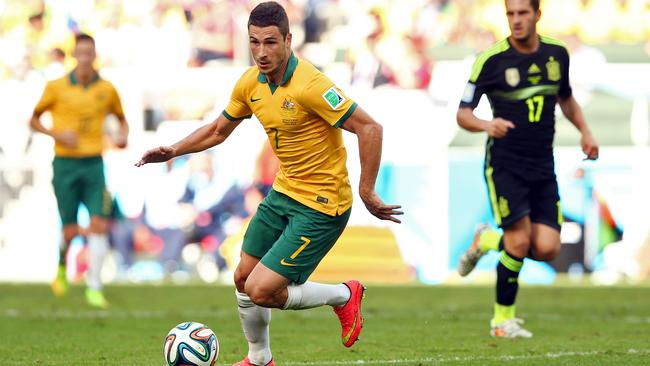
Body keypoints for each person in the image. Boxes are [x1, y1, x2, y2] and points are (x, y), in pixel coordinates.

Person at [136, 2, 402, 365]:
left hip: (323, 206)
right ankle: (259, 359)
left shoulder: (311, 85)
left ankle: (344, 294)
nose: (261, 52)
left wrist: (367, 190)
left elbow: (370, 128)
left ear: (289, 40)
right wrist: (174, 150)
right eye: (254, 42)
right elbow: (217, 130)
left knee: (262, 290)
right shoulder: (250, 84)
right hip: (283, 193)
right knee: (243, 278)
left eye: (271, 42)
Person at [455, 0, 599, 338]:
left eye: (523, 13)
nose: (516, 21)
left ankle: (488, 240)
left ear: (537, 14)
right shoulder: (490, 61)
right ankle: (501, 322)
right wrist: (486, 125)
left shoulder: (557, 54)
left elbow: (565, 98)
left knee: (548, 248)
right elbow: (463, 113)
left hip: (542, 165)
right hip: (505, 164)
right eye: (511, 14)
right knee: (519, 242)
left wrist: (586, 131)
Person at [30, 33, 129, 308]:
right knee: (70, 230)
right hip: (65, 165)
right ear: (75, 55)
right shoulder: (56, 87)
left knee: (99, 223)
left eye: (90, 53)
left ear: (95, 55)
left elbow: (122, 121)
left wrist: (122, 137)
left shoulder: (107, 89)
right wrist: (56, 134)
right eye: (81, 53)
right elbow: (34, 119)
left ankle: (94, 287)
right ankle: (62, 265)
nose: (85, 58)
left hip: (94, 164)